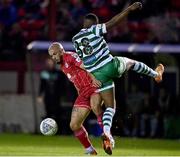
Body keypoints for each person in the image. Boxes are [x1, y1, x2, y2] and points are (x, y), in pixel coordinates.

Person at [72, 2, 165, 155]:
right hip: (109, 65)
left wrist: (91, 75)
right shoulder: (94, 29)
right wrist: (129, 9)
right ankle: (156, 75)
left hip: (97, 75)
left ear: (83, 24)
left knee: (110, 107)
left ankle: (107, 133)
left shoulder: (75, 39)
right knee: (131, 62)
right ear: (94, 24)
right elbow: (112, 23)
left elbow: (83, 62)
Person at [48, 42, 103, 155]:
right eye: (51, 56)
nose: (53, 58)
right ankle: (89, 150)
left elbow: (86, 65)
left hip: (93, 87)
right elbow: (75, 80)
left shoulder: (70, 56)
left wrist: (94, 78)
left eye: (54, 54)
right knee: (74, 125)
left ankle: (107, 135)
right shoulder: (63, 66)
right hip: (83, 93)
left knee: (95, 107)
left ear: (61, 51)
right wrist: (79, 92)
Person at [37, 58, 66, 133]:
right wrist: (40, 95)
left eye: (50, 63)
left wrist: (63, 95)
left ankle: (59, 131)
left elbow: (63, 85)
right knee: (48, 113)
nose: (49, 64)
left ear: (53, 63)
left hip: (57, 97)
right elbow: (42, 85)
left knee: (58, 113)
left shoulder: (59, 73)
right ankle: (48, 130)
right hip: (48, 97)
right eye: (47, 63)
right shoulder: (44, 73)